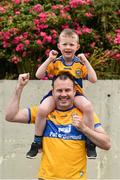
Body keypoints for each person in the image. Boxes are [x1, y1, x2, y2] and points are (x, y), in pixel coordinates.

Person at [5, 72, 111, 180]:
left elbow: (106, 144)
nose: (63, 94)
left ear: (74, 91)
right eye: (59, 90)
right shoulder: (43, 113)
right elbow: (11, 116)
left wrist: (85, 129)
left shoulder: (85, 115)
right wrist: (19, 88)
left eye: (67, 90)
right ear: (53, 92)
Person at [26, 28, 98, 158]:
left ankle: (90, 143)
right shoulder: (56, 62)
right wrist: (49, 59)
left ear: (77, 46)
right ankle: (37, 142)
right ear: (59, 46)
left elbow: (93, 79)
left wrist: (86, 61)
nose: (68, 47)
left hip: (75, 94)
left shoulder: (79, 64)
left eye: (71, 44)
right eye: (64, 44)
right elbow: (38, 74)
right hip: (57, 95)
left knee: (88, 107)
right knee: (42, 109)